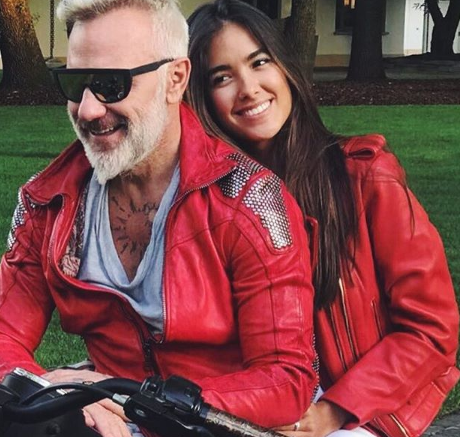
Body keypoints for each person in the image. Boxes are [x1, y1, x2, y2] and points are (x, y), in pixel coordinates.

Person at [0, 1, 320, 436]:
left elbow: (286, 379)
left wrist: (129, 400)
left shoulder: (249, 200)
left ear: (176, 79)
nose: (88, 109)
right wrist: (51, 393)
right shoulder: (47, 200)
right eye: (75, 84)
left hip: (213, 425)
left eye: (111, 85)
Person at [186, 1, 460, 437]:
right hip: (249, 404)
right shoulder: (206, 205)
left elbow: (432, 328)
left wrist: (335, 409)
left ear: (285, 68)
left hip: (355, 411)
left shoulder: (366, 178)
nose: (249, 89)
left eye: (260, 62)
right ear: (201, 98)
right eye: (222, 77)